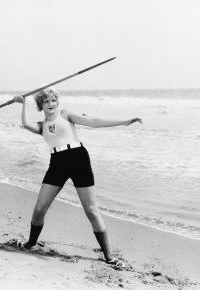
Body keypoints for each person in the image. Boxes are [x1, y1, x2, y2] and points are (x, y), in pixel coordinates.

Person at [13, 87, 142, 268]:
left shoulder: (65, 114)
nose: (51, 104)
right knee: (40, 208)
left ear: (57, 102)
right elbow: (26, 124)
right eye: (46, 101)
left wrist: (123, 121)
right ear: (41, 105)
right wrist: (23, 103)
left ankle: (108, 256)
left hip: (78, 159)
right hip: (57, 162)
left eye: (53, 100)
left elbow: (93, 121)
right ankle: (30, 243)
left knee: (90, 210)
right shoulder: (41, 126)